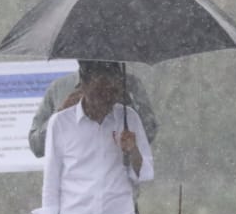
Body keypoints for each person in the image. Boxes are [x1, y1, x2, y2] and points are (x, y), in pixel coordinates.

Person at [33, 59, 153, 214]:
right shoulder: (60, 123)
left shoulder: (129, 118)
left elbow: (143, 173)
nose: (105, 99)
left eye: (112, 92)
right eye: (99, 91)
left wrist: (132, 150)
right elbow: (51, 179)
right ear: (84, 85)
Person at [28, 65, 158, 157]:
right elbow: (37, 147)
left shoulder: (130, 84)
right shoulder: (59, 89)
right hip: (73, 192)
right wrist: (60, 113)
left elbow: (149, 133)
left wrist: (128, 104)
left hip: (120, 189)